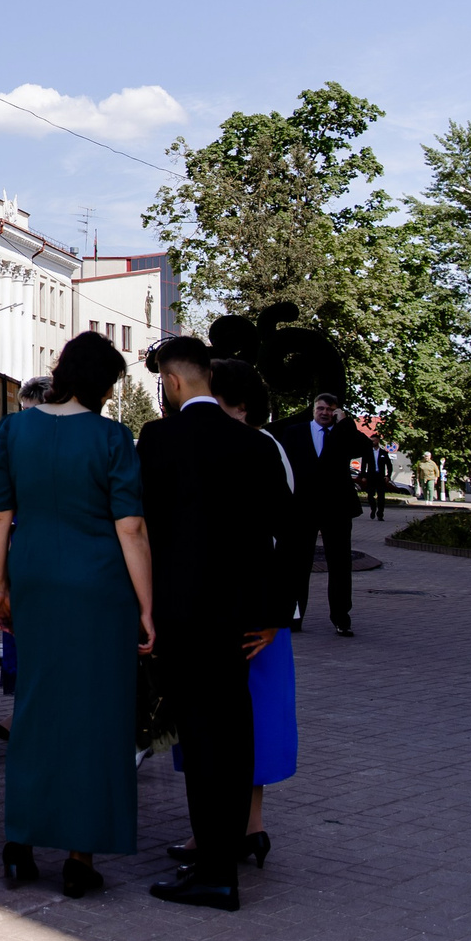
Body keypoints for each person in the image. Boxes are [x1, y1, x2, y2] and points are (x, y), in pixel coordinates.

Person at [0, 333, 151, 896]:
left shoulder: (13, 428)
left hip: (35, 575)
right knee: (98, 715)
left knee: (35, 706)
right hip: (99, 586)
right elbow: (130, 526)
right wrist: (148, 606)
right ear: (103, 384)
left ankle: (20, 842)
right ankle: (80, 856)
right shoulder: (111, 436)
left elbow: (0, 517)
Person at [137, 335, 290, 912]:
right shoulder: (254, 444)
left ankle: (213, 873)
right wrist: (275, 614)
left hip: (180, 614)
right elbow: (285, 534)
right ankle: (225, 861)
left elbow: (143, 528)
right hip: (239, 619)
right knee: (233, 733)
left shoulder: (158, 438)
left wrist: (143, 609)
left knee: (200, 742)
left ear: (173, 383)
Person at [168, 361, 296, 872]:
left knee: (224, 722)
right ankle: (250, 826)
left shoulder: (248, 445)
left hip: (245, 614)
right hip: (261, 610)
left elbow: (284, 535)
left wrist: (275, 615)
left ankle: (221, 834)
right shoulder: (263, 446)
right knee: (252, 720)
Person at [271, 391, 374, 636]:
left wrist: (346, 422)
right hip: (301, 510)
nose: (325, 413)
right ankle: (294, 617)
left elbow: (364, 446)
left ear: (336, 411)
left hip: (336, 509)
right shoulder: (294, 432)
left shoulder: (342, 433)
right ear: (313, 409)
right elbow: (281, 467)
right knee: (296, 565)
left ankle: (341, 618)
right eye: (321, 408)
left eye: (331, 409)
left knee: (339, 564)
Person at [362, 443, 390, 522]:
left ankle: (380, 514)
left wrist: (388, 476)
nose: (373, 442)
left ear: (378, 441)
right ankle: (373, 508)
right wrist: (363, 476)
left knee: (381, 496)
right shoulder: (367, 452)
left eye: (375, 440)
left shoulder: (383, 453)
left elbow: (389, 465)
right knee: (370, 495)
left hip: (380, 477)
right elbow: (363, 465)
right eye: (372, 440)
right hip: (371, 476)